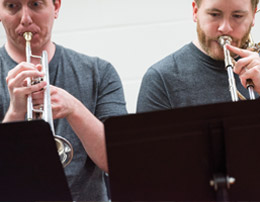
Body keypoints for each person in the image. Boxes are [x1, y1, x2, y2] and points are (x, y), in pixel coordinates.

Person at [0, 0, 127, 201]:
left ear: (56, 7)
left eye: (35, 4)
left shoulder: (99, 72)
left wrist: (74, 109)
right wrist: (15, 111)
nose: (25, 19)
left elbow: (121, 163)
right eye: (12, 6)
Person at [137, 0, 260, 113]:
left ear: (253, 16)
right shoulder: (160, 79)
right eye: (214, 14)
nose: (225, 28)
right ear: (195, 11)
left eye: (237, 16)